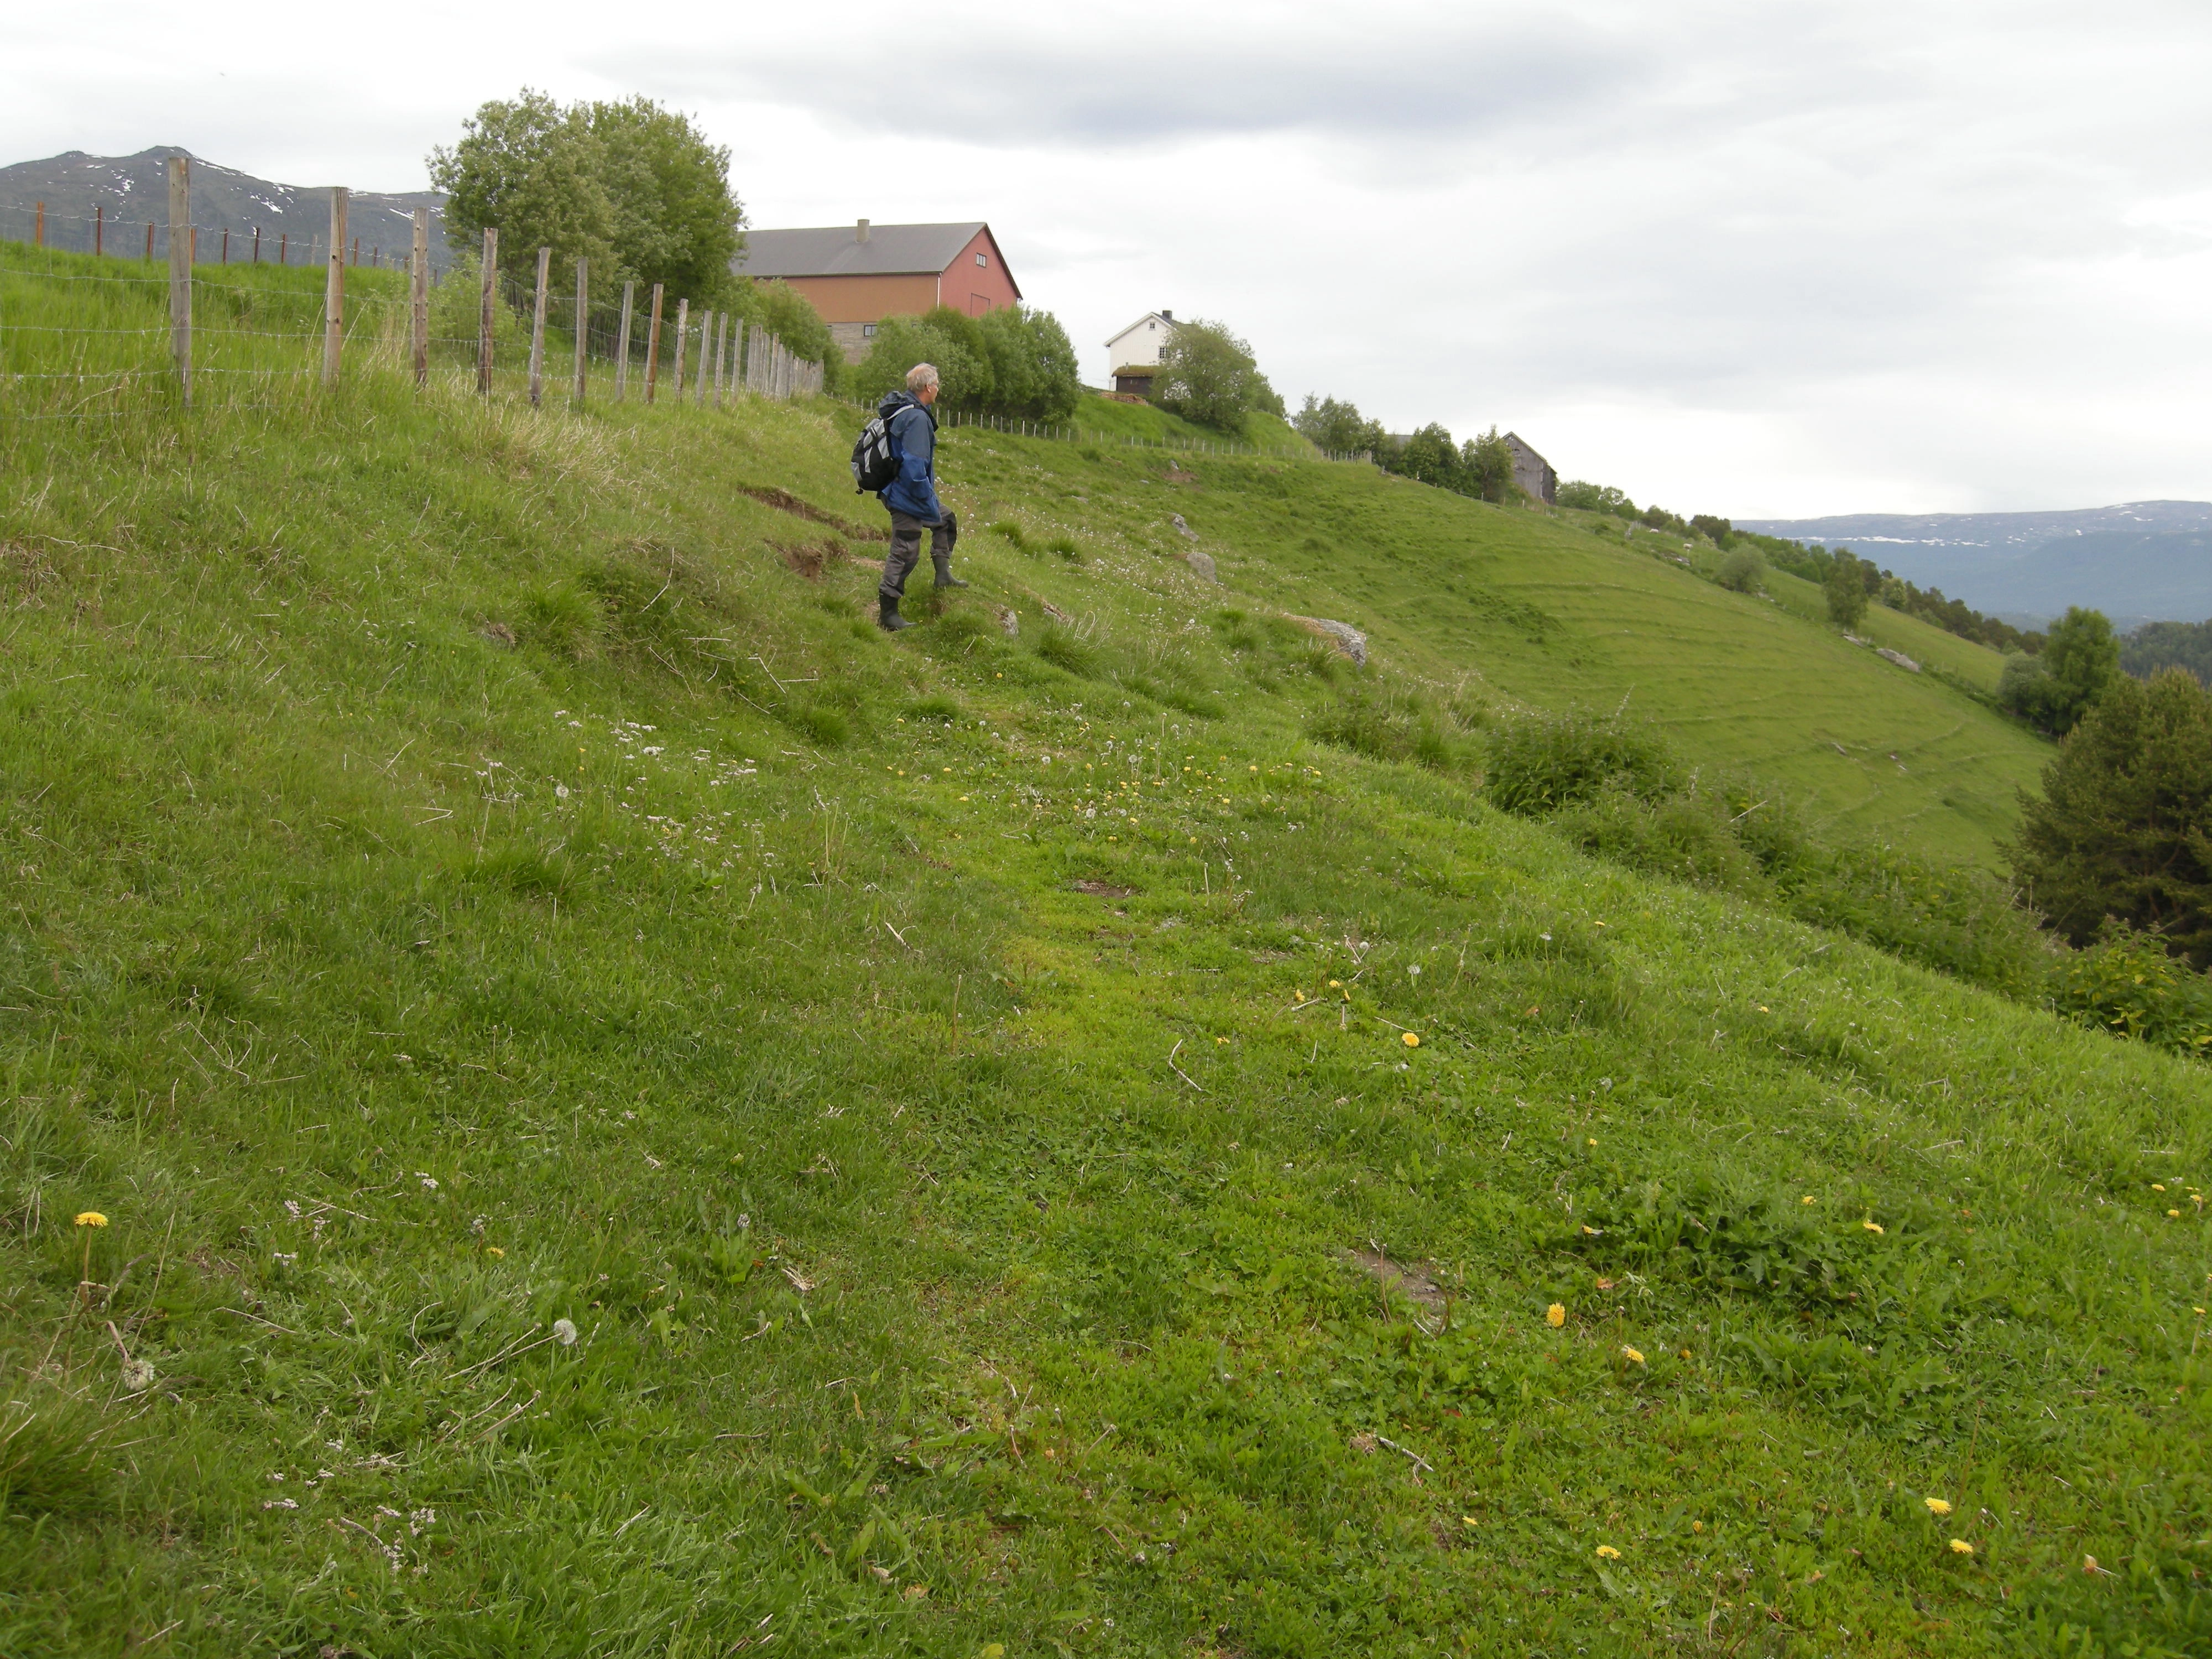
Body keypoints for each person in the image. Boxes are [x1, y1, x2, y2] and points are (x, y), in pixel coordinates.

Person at [873, 362, 966, 632]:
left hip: (902, 489)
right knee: (905, 551)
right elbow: (914, 469)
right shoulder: (916, 418)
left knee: (945, 520)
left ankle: (943, 576)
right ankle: (888, 614)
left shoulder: (908, 410)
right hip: (906, 495)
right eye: (936, 385)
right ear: (928, 387)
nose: (938, 390)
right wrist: (928, 500)